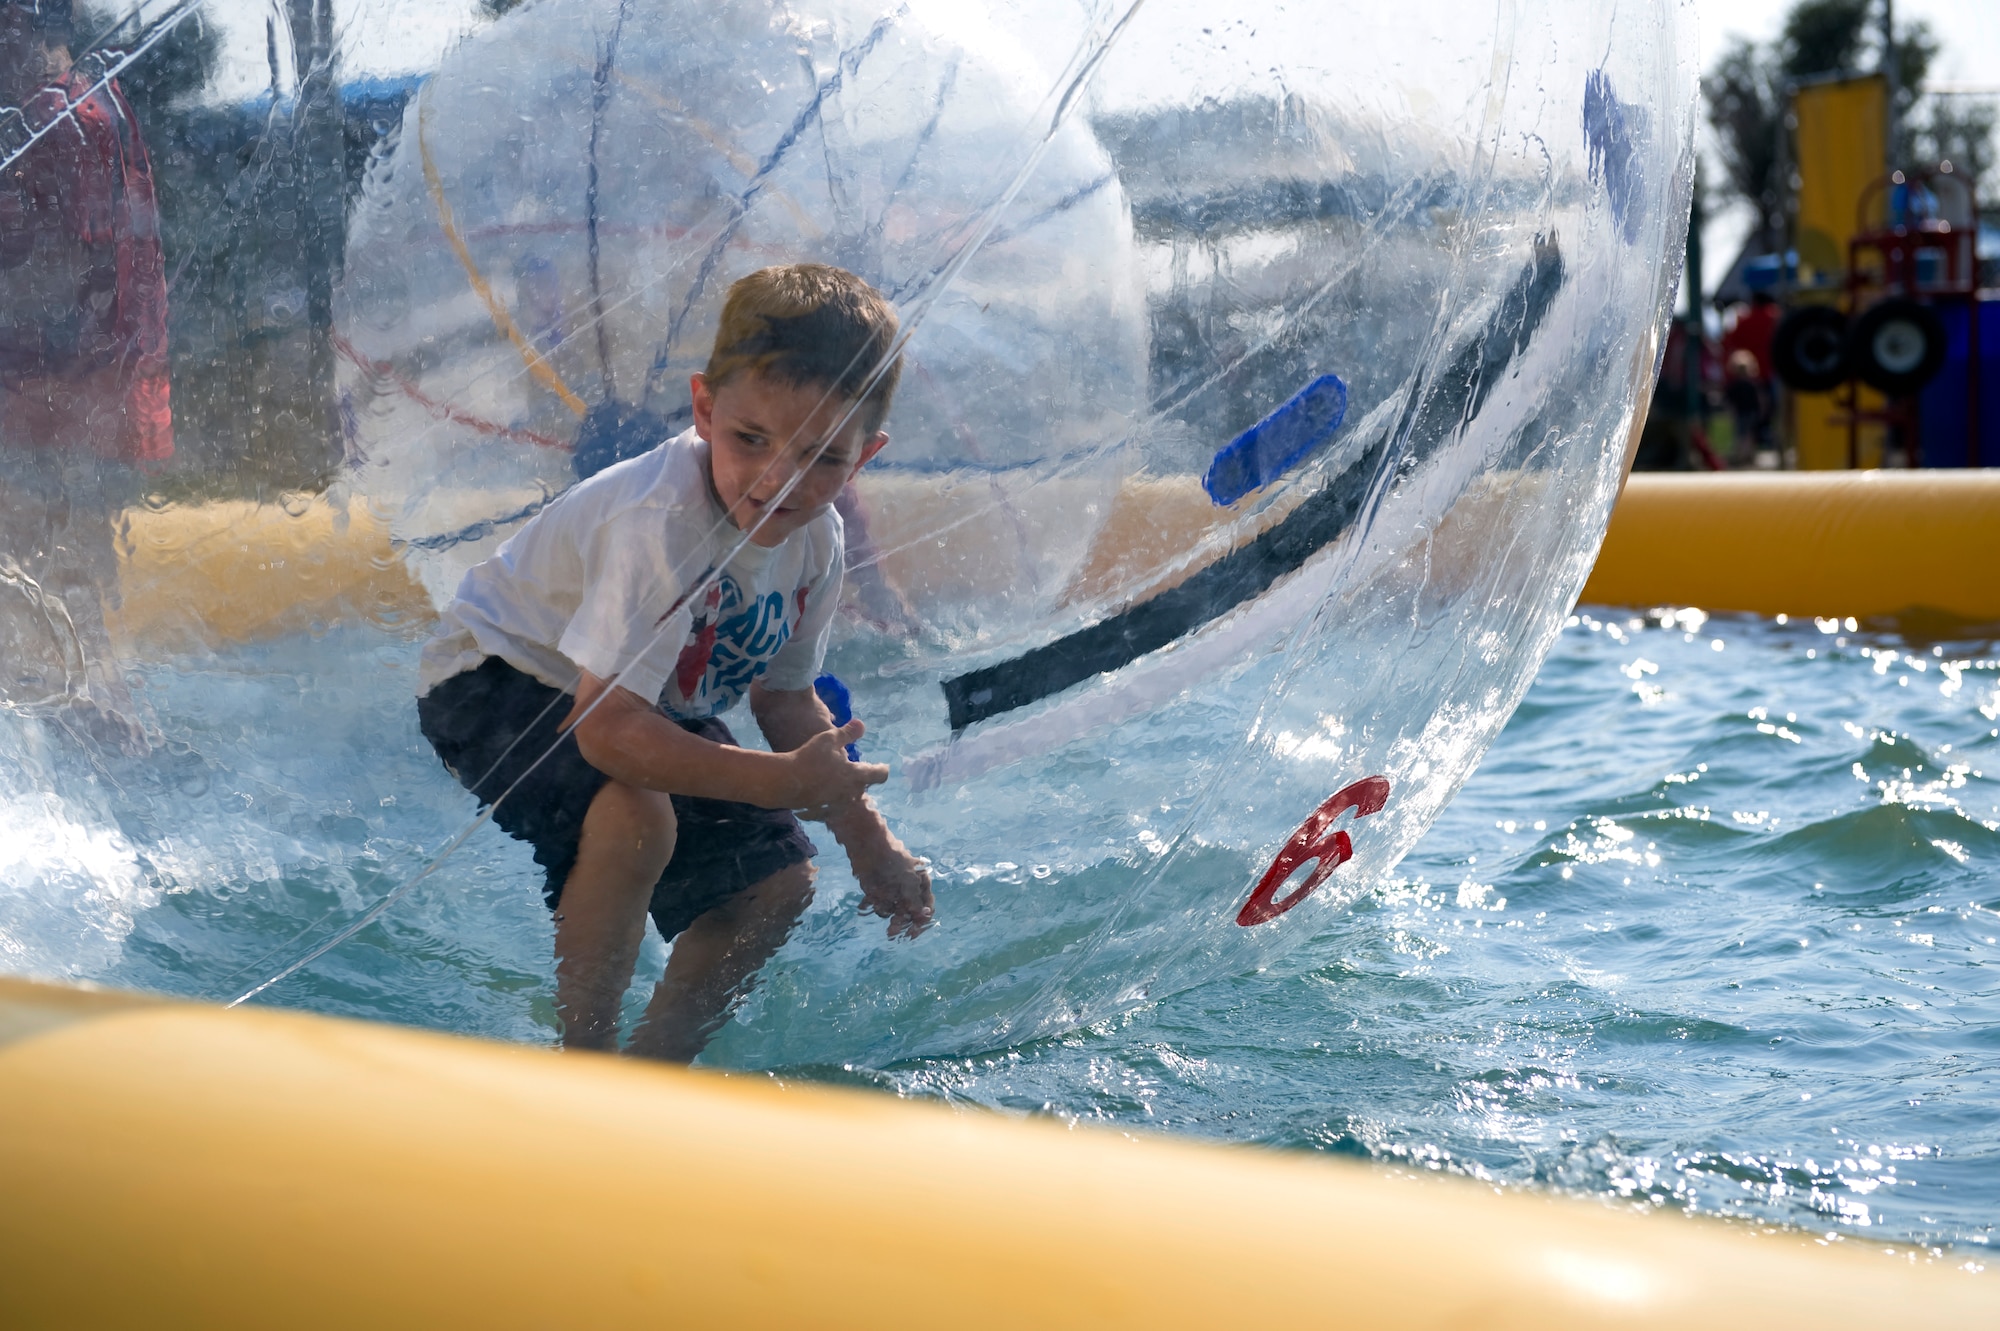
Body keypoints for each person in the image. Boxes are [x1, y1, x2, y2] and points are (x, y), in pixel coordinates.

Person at [416, 263, 933, 1061]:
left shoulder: (817, 542)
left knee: (778, 883)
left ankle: (656, 1065)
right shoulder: (662, 523)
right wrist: (781, 783)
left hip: (637, 698)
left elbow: (786, 700)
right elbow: (608, 733)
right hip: (494, 675)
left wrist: (869, 840)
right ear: (703, 409)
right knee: (634, 815)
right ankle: (583, 1063)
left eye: (824, 457)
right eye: (750, 440)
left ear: (866, 457)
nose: (778, 481)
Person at [0, 0, 171, 746]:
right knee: (72, 558)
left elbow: (58, 269)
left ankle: (80, 723)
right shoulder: (96, 101)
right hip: (92, 377)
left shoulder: (55, 122)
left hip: (43, 379)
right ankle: (113, 717)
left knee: (34, 553)